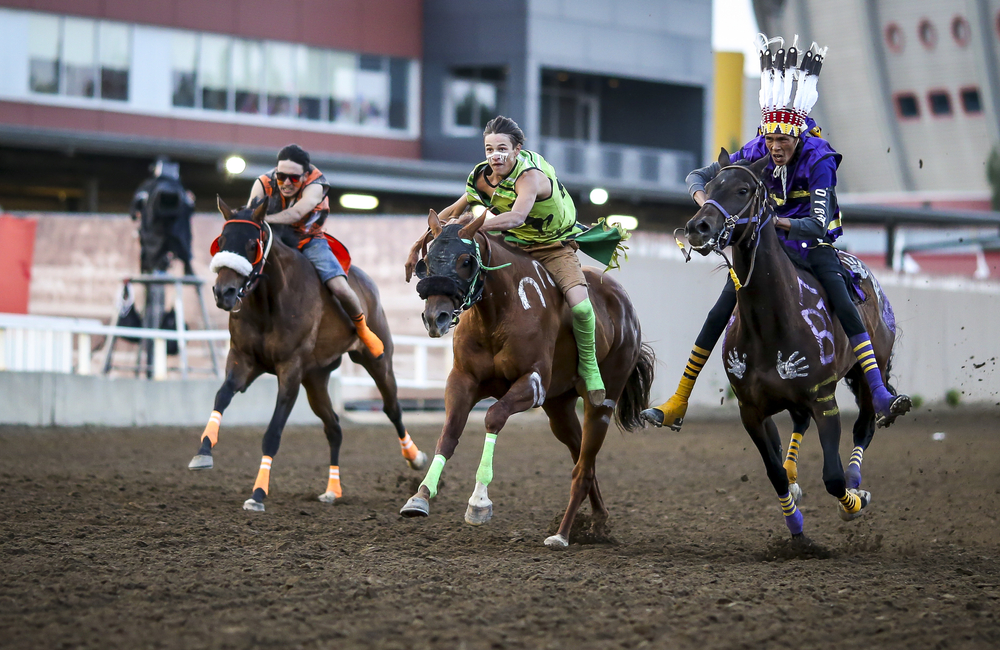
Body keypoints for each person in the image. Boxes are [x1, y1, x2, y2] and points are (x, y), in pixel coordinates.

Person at [642, 35, 911, 430]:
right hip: (769, 245)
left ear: (798, 136)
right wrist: (705, 200)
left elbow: (818, 223)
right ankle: (679, 399)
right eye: (769, 139)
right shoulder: (756, 149)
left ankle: (879, 392)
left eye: (781, 140)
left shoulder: (821, 159)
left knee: (843, 299)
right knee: (721, 309)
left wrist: (777, 222)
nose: (774, 147)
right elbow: (699, 175)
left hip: (811, 241)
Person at [434, 116, 605, 406]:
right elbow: (454, 208)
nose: (494, 155)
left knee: (582, 306)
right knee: (475, 274)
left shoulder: (530, 177)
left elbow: (516, 217)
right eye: (489, 149)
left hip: (553, 247)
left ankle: (589, 368)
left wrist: (471, 227)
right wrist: (434, 232)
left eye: (501, 148)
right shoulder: (483, 176)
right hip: (514, 244)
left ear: (517, 150)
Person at [248, 144, 384, 358]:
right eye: (281, 176)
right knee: (244, 271)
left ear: (305, 174)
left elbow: (297, 212)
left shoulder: (316, 185)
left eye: (294, 178)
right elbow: (250, 214)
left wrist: (264, 219)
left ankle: (362, 329)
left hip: (309, 240)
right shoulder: (262, 183)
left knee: (339, 287)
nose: (286, 183)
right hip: (274, 239)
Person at [130, 157, 195, 275]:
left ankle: (187, 266)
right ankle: (187, 266)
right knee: (150, 261)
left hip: (168, 233)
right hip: (158, 233)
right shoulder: (150, 187)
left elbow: (189, 207)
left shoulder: (178, 189)